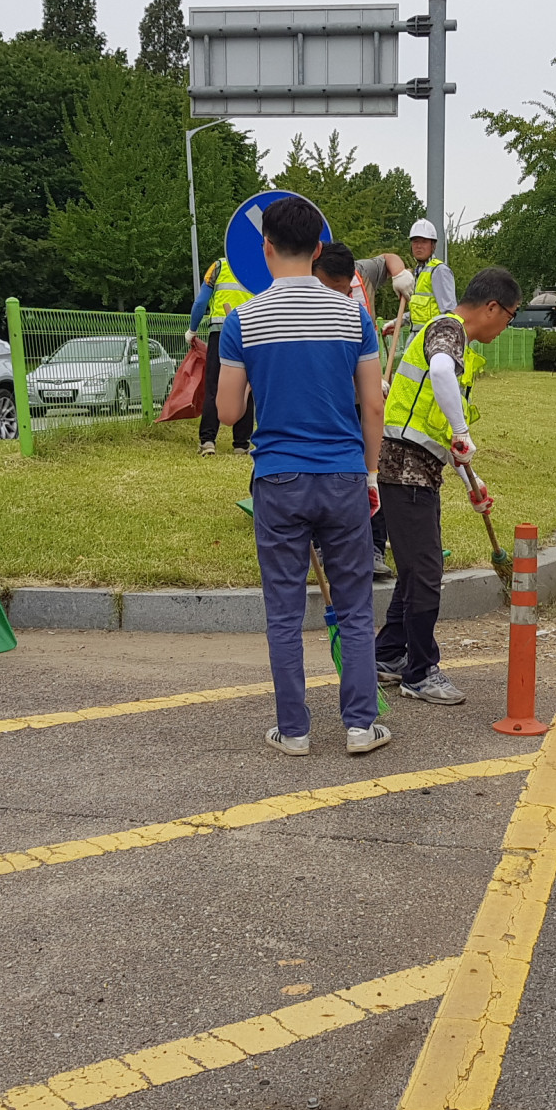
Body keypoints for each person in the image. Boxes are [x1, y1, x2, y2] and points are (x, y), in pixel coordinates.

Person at [217, 199, 390, 756]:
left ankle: (293, 731)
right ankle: (362, 727)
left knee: (284, 610)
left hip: (278, 479)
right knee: (356, 606)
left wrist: (253, 386)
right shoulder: (352, 315)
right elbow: (373, 406)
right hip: (343, 476)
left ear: (266, 248)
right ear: (319, 250)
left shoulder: (244, 320)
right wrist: (370, 474)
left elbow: (225, 412)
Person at [375, 266, 521, 704]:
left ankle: (388, 657)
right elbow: (440, 373)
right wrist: (462, 430)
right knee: (425, 572)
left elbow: (442, 431)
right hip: (403, 468)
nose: (507, 325)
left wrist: (471, 481)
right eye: (511, 315)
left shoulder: (460, 344)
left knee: (416, 570)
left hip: (419, 468)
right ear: (492, 307)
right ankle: (420, 672)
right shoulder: (448, 328)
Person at [316, 242, 415, 582]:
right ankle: (320, 546)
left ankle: (373, 548)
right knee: (328, 474)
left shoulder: (362, 271)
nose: (339, 296)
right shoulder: (305, 294)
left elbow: (387, 258)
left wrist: (400, 273)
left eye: (344, 290)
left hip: (363, 397)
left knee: (375, 470)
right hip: (327, 398)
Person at [186, 254, 254, 456]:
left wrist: (192, 329)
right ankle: (241, 444)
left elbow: (200, 303)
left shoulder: (218, 266)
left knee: (214, 387)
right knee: (246, 388)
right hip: (249, 334)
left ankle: (208, 441)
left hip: (221, 333)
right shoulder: (258, 268)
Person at [400, 218, 457, 345]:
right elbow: (421, 313)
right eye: (415, 242)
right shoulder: (418, 272)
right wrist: (398, 322)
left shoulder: (439, 271)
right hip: (416, 338)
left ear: (433, 245)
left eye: (424, 242)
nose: (419, 246)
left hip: (433, 341)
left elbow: (449, 312)